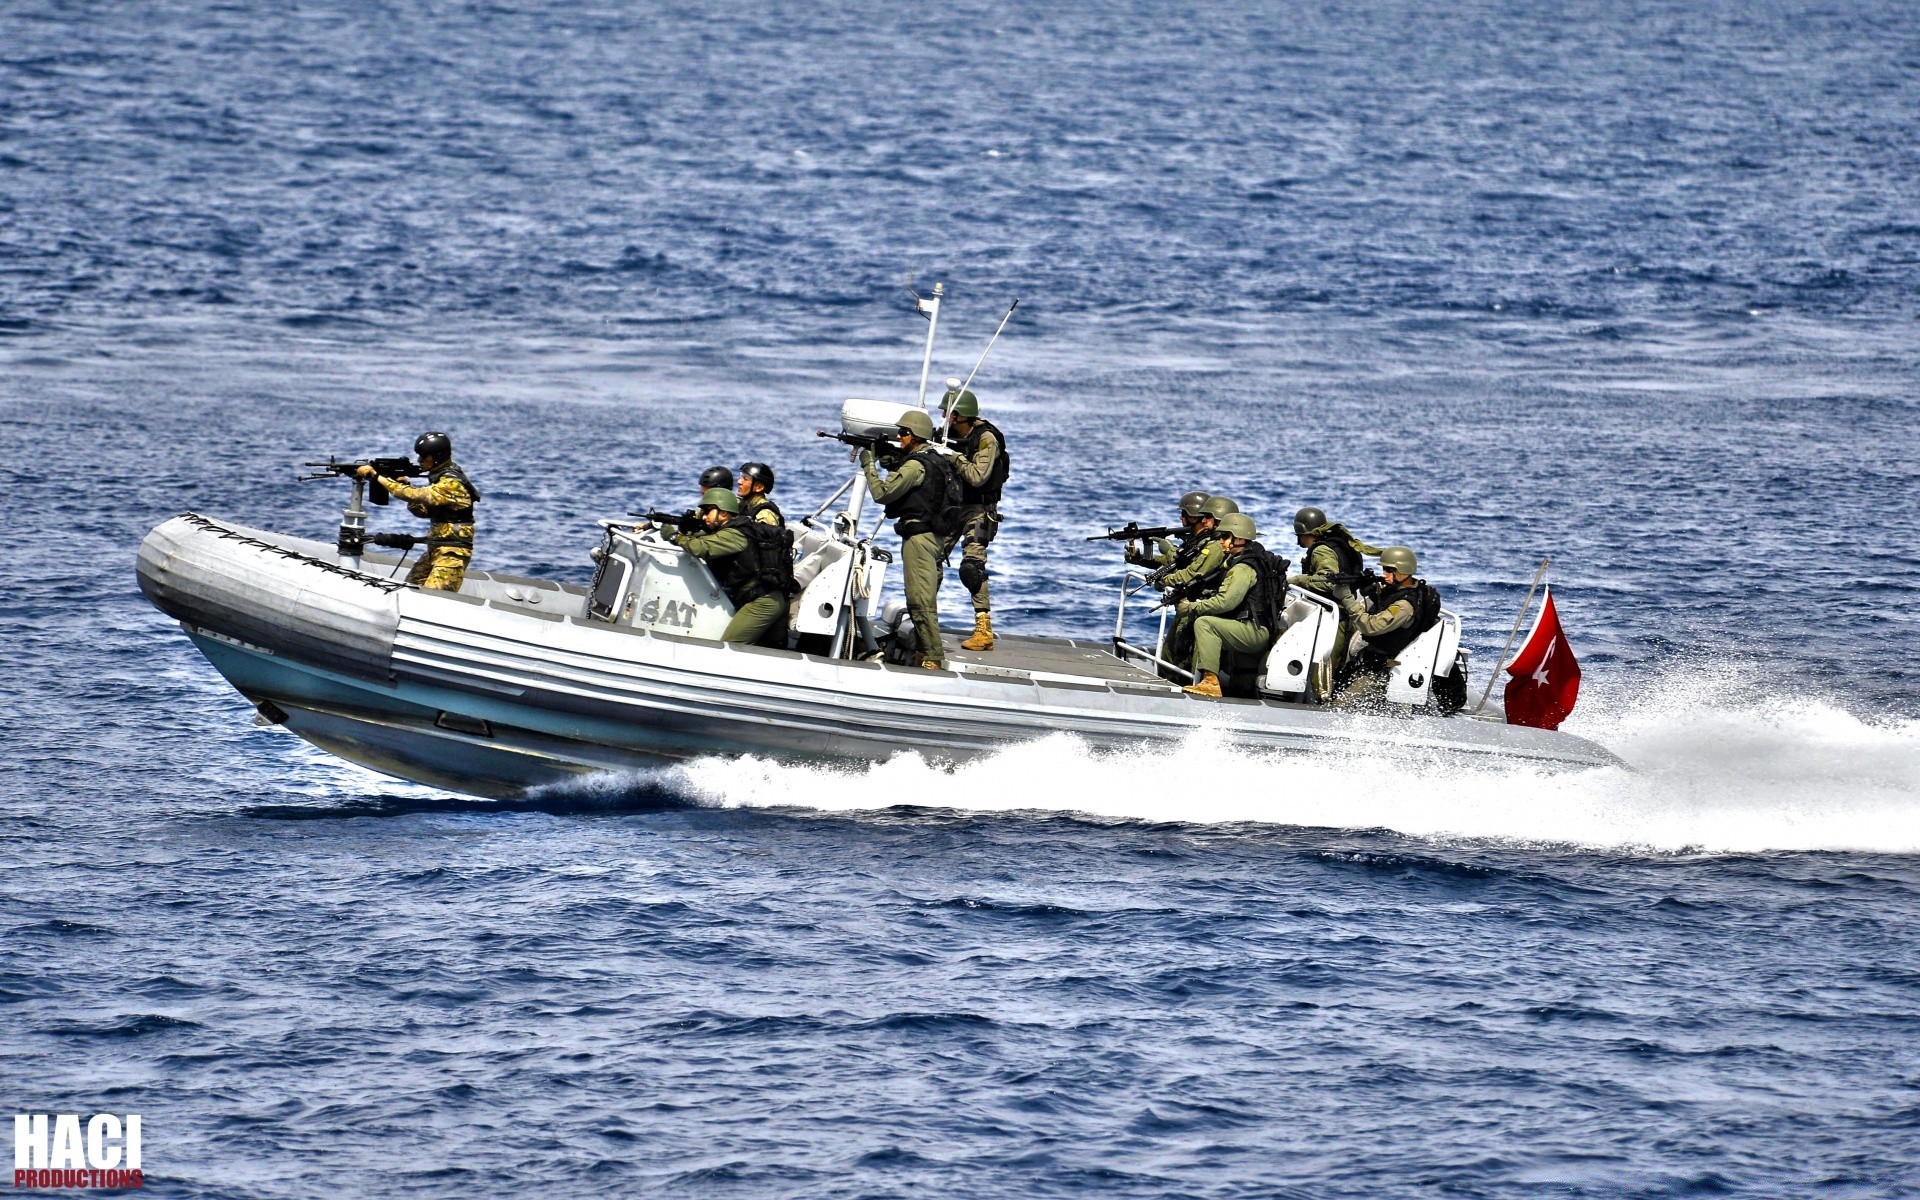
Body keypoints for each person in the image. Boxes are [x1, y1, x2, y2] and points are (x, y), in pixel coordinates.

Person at [862, 409, 950, 669]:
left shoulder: (915, 465)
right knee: (923, 597)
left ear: (916, 436)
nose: (899, 437)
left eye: (904, 433)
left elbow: (882, 493)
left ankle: (932, 657)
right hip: (932, 537)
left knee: (919, 599)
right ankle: (925, 651)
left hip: (920, 539)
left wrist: (869, 463)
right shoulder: (931, 460)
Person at [664, 487, 792, 646]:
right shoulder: (733, 529)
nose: (704, 517)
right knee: (768, 650)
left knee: (730, 647)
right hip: (768, 597)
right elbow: (706, 539)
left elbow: (700, 548)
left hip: (762, 602)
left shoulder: (734, 534)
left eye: (708, 511)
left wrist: (674, 536)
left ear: (723, 513)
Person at [359, 431, 480, 592]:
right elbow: (423, 511)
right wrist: (404, 484)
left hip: (452, 555)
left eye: (424, 456)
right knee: (410, 588)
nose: (419, 460)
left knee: (433, 599)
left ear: (437, 456)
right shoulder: (440, 479)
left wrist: (377, 477)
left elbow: (414, 494)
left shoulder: (451, 483)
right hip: (435, 549)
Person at [1180, 513, 1284, 698]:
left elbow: (1226, 602)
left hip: (1253, 631)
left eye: (1225, 536)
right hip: (1257, 628)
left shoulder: (1243, 568)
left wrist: (1192, 607)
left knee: (1204, 624)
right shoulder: (1249, 560)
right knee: (1242, 681)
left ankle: (1210, 682)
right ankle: (1243, 696)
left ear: (1240, 538)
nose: (1220, 541)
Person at [940, 387, 1009, 652]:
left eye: (948, 413)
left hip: (980, 509)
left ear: (959, 415)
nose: (944, 417)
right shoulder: (946, 435)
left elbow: (978, 477)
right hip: (954, 506)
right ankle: (924, 615)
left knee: (972, 567)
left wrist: (953, 457)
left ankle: (984, 629)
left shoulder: (986, 439)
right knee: (930, 556)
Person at [1336, 545, 1443, 708]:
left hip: (1382, 671)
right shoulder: (1396, 592)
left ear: (1403, 571)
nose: (1384, 574)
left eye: (1389, 570)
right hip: (1372, 661)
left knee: (1339, 706)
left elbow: (1370, 626)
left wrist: (1347, 599)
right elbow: (1383, 601)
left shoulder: (1405, 606)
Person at [1288, 506, 1382, 680]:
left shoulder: (1321, 550)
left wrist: (1297, 580)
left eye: (1299, 535)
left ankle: (1320, 702)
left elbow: (1327, 581)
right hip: (1342, 613)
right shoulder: (1340, 544)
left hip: (1331, 616)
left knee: (1324, 668)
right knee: (1333, 664)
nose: (1298, 540)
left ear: (1306, 532)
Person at [1155, 494, 1237, 670]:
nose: (1204, 520)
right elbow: (1183, 563)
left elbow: (1192, 573)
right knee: (1169, 656)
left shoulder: (1215, 547)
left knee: (1181, 658)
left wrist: (1164, 577)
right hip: (1191, 603)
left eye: (1208, 517)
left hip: (1198, 605)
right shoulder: (1207, 542)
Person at [1126, 490, 1210, 571]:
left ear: (1193, 518)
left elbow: (1188, 568)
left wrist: (1169, 550)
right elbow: (1169, 563)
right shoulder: (1194, 539)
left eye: (1183, 514)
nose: (1181, 518)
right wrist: (1140, 559)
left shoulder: (1207, 542)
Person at [736, 461, 783, 527]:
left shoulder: (765, 515)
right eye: (740, 477)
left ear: (759, 487)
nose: (739, 482)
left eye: (745, 479)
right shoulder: (745, 506)